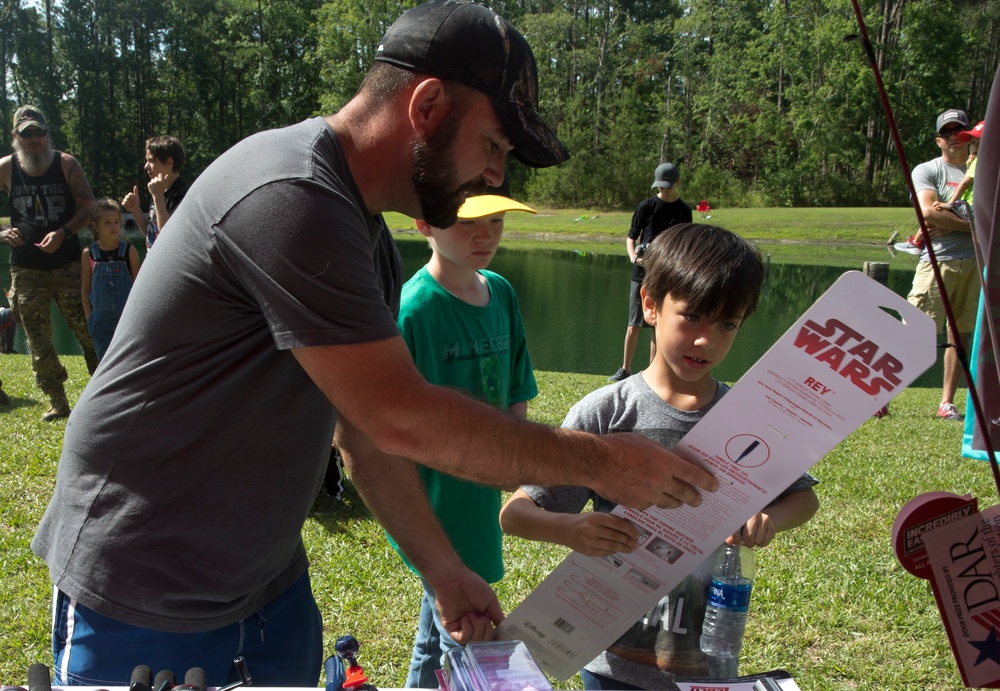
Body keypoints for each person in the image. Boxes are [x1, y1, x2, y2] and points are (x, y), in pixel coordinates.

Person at [30, 2, 719, 686]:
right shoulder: (291, 190)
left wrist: (444, 570)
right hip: (142, 583)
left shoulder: (367, 240)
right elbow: (402, 414)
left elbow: (365, 434)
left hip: (266, 586)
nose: (496, 179)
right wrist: (599, 461)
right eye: (493, 147)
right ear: (426, 106)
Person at [500, 223, 819, 689]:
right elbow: (516, 514)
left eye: (727, 324)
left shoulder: (745, 416)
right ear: (650, 304)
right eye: (692, 317)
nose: (707, 340)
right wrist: (571, 529)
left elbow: (804, 498)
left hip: (703, 656)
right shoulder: (608, 411)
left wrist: (767, 517)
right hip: (607, 655)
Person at [378, 181, 537, 688]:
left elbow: (517, 385)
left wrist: (516, 462)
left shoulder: (503, 292)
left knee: (439, 628)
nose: (484, 234)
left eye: (495, 221)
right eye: (467, 222)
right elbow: (391, 424)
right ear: (424, 224)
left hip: (483, 493)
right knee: (467, 633)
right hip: (441, 502)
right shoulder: (412, 311)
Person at [0, 105, 98, 421]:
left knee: (88, 328)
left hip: (69, 263)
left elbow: (89, 205)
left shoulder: (65, 164)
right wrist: (2, 231)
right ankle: (58, 401)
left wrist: (64, 231)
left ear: (47, 133)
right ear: (15, 136)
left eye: (39, 133)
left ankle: (106, 392)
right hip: (26, 269)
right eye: (27, 134)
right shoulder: (6, 168)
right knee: (37, 335)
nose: (35, 140)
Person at [905, 109, 980, 421]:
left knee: (960, 334)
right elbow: (929, 214)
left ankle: (946, 403)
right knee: (913, 331)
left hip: (976, 262)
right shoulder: (927, 170)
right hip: (937, 260)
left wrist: (956, 221)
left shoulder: (986, 169)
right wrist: (976, 225)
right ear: (939, 140)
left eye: (960, 130)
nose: (954, 136)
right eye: (947, 132)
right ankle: (880, 397)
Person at [609, 162, 692, 382]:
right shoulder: (646, 206)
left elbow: (685, 244)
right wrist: (633, 257)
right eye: (660, 186)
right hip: (641, 272)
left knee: (657, 324)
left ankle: (651, 372)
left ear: (677, 183)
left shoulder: (684, 211)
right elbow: (631, 236)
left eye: (667, 186)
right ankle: (625, 370)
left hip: (666, 275)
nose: (663, 190)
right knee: (634, 324)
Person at [81, 199, 141, 361]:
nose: (114, 227)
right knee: (105, 363)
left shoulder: (129, 251)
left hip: (127, 319)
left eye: (116, 222)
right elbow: (85, 288)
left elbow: (138, 286)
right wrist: (90, 318)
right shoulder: (89, 253)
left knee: (129, 362)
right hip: (101, 322)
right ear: (95, 226)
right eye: (107, 223)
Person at [121, 135, 189, 250]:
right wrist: (136, 210)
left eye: (151, 160)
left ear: (168, 162)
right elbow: (152, 234)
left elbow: (168, 238)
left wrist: (158, 197)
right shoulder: (158, 191)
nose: (145, 166)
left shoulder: (182, 195)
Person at [949, 120, 984, 204]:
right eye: (972, 142)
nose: (974, 147)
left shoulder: (979, 162)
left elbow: (964, 184)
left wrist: (949, 204)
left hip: (972, 205)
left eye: (981, 142)